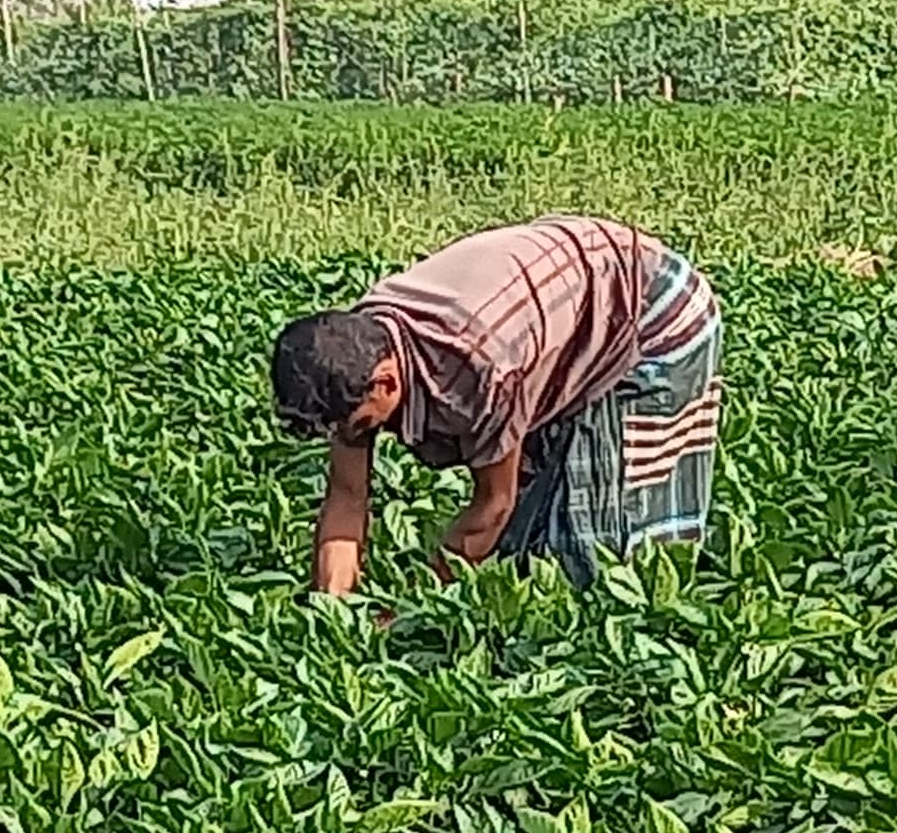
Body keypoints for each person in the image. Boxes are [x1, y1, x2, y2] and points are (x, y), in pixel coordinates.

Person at [270, 214, 721, 595]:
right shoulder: (351, 357)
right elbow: (347, 496)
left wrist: (414, 607)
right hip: (560, 307)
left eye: (359, 424)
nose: (354, 436)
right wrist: (332, 610)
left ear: (386, 382)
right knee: (535, 523)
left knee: (598, 532)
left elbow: (493, 505)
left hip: (652, 309)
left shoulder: (479, 369)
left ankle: (646, 625)